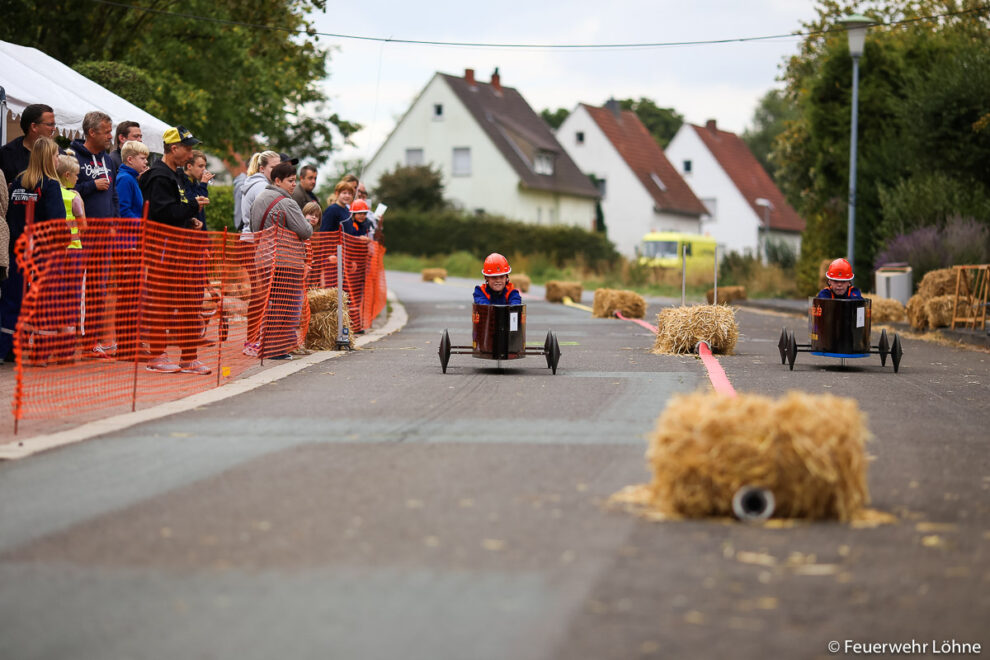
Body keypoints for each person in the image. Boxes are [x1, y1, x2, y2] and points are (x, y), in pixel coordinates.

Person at [138, 125, 211, 374]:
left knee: (190, 302)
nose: (191, 154)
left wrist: (190, 219)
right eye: (188, 148)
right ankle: (157, 356)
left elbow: (174, 211)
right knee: (164, 304)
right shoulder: (159, 176)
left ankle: (188, 357)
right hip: (163, 249)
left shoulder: (177, 175)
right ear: (173, 148)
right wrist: (192, 207)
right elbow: (163, 214)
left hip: (181, 249)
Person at [1, 137, 66, 361]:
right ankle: (40, 353)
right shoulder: (50, 184)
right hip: (42, 254)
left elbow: (9, 216)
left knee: (12, 301)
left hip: (16, 251)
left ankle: (6, 350)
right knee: (43, 303)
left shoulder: (18, 182)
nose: (59, 159)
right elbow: (57, 223)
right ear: (50, 158)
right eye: (57, 155)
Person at [249, 162, 313, 359]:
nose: (294, 185)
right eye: (290, 181)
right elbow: (306, 231)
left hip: (264, 257)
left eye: (295, 181)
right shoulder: (287, 203)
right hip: (285, 261)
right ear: (277, 181)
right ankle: (275, 349)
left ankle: (270, 346)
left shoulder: (259, 199)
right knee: (285, 306)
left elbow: (254, 228)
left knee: (272, 304)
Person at [70, 111, 118, 358]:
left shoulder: (109, 160)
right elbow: (66, 188)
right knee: (76, 285)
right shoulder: (71, 156)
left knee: (99, 287)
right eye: (107, 131)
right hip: (79, 233)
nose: (111, 136)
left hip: (104, 234)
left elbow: (113, 194)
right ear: (92, 132)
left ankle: (92, 341)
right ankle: (71, 338)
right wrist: (91, 185)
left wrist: (114, 222)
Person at [113, 139, 150, 360]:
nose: (146, 162)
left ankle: (131, 343)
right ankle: (126, 346)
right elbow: (124, 211)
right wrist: (144, 223)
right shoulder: (125, 179)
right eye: (143, 158)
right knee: (128, 296)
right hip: (128, 245)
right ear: (130, 159)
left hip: (133, 243)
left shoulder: (131, 179)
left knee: (134, 295)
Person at [0, 104, 56, 185]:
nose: (54, 128)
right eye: (50, 124)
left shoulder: (56, 153)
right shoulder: (6, 154)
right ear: (34, 127)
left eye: (54, 125)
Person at [239, 151, 280, 233]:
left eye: (278, 167)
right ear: (262, 169)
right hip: (256, 239)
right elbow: (265, 218)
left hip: (250, 237)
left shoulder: (256, 183)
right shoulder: (262, 186)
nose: (277, 171)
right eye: (273, 167)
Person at [184, 150, 214, 231]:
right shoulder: (184, 182)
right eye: (200, 166)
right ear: (189, 166)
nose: (204, 170)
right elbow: (197, 202)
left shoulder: (193, 181)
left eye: (205, 166)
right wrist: (203, 183)